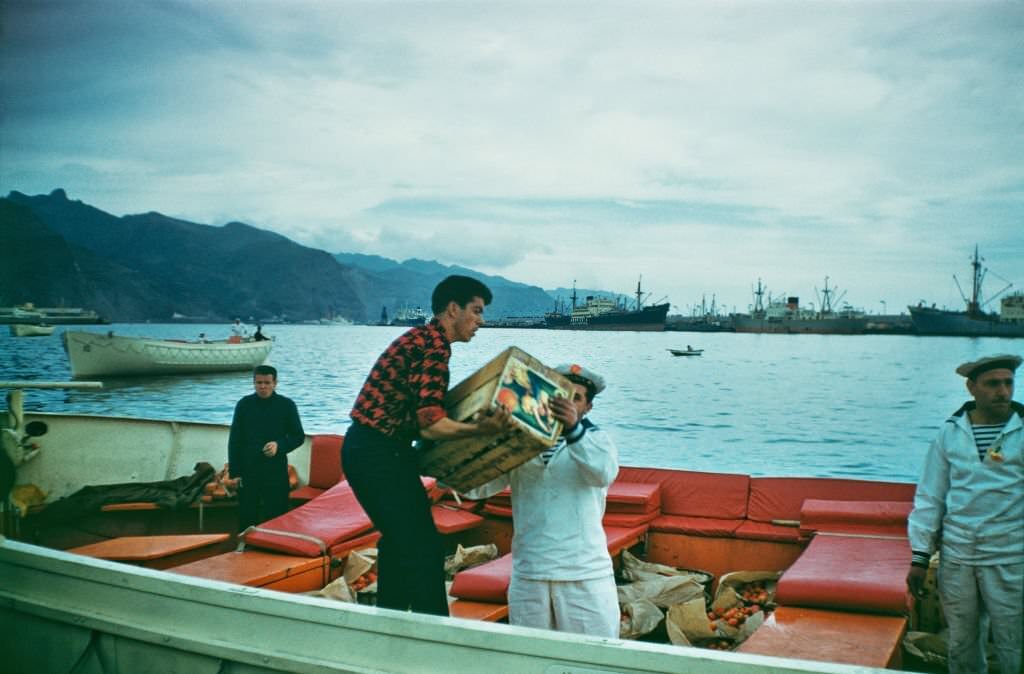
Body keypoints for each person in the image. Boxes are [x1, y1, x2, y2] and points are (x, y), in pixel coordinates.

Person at [343, 275, 514, 616]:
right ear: (453, 309)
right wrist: (482, 430)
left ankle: (389, 620)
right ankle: (434, 628)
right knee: (422, 546)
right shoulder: (434, 348)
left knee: (398, 541)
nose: (481, 321)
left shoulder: (420, 340)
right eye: (476, 311)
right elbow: (431, 425)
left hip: (371, 449)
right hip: (377, 453)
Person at [462, 363, 620, 637]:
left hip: (584, 574)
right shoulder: (520, 442)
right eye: (564, 396)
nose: (569, 404)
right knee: (529, 660)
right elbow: (478, 488)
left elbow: (602, 473)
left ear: (588, 408)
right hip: (529, 573)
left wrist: (573, 429)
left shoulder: (597, 441)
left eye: (577, 398)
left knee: (591, 662)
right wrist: (471, 446)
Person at [906, 354, 1022, 674]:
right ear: (972, 388)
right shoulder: (950, 433)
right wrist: (919, 556)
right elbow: (931, 495)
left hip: (1011, 554)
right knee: (962, 641)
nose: (1003, 391)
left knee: (1014, 641)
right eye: (992, 384)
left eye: (1008, 383)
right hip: (958, 555)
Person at [228, 365, 305, 532]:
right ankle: (245, 548)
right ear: (253, 383)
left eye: (267, 383)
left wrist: (280, 445)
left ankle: (275, 549)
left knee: (276, 515)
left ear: (275, 383)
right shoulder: (244, 405)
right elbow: (235, 440)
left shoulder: (286, 405)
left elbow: (298, 436)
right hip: (249, 469)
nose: (262, 387)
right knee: (247, 515)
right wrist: (235, 473)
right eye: (259, 383)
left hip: (275, 469)